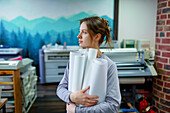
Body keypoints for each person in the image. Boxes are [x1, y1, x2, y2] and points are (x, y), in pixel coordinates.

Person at [57, 16, 121, 113]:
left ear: (97, 36)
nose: (78, 36)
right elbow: (61, 88)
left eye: (84, 32)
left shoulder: (108, 65)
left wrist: (76, 110)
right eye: (79, 32)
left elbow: (113, 105)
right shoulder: (75, 60)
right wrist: (72, 96)